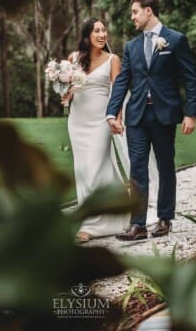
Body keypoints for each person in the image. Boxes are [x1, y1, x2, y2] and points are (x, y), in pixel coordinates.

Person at [106, 0, 196, 241]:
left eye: (135, 12)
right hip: (136, 115)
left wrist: (191, 114)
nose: (132, 17)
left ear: (149, 11)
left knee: (165, 165)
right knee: (137, 168)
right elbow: (123, 81)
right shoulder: (131, 46)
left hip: (164, 114)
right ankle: (138, 225)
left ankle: (165, 219)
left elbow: (190, 79)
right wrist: (112, 112)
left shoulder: (175, 40)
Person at [64, 17, 130, 243]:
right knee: (84, 170)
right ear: (87, 36)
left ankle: (92, 226)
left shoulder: (113, 60)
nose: (102, 35)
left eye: (104, 30)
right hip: (77, 122)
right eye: (97, 31)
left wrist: (117, 120)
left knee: (95, 166)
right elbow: (69, 89)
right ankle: (113, 211)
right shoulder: (74, 59)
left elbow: (119, 93)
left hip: (101, 122)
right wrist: (65, 92)